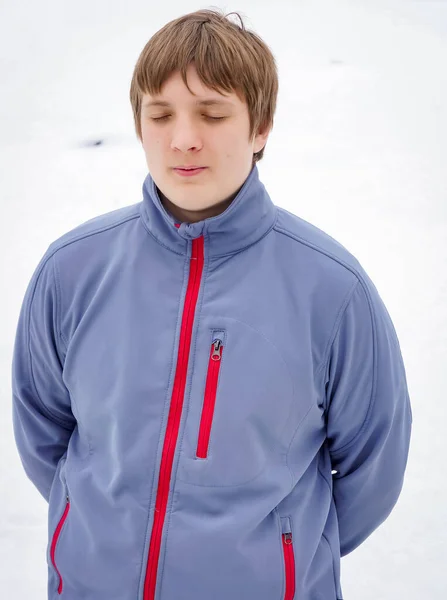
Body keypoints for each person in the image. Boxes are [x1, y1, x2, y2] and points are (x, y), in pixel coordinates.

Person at [11, 8, 413, 600]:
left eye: (213, 113)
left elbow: (371, 470)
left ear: (261, 127)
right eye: (161, 114)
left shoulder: (332, 290)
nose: (183, 139)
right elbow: (43, 431)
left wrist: (277, 560)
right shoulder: (73, 269)